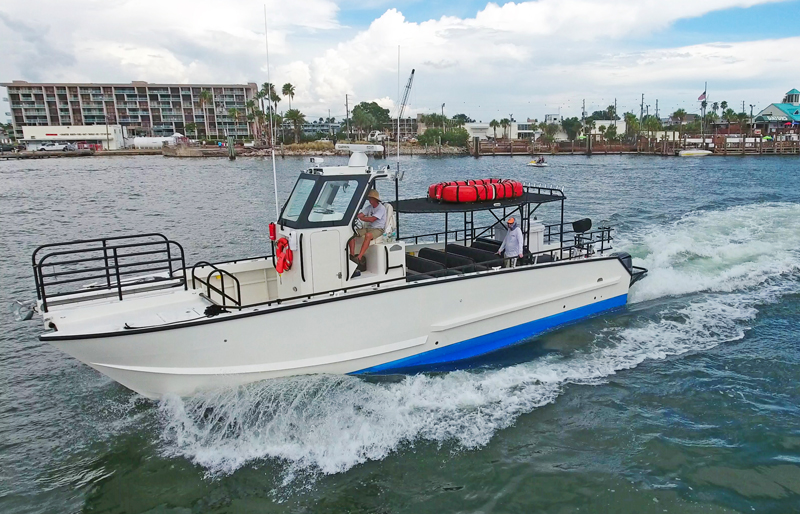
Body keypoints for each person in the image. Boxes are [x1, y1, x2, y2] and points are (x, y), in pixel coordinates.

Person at [348, 190, 386, 270]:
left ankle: (359, 257)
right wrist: (354, 216)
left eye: (371, 198)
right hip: (369, 228)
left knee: (368, 236)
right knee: (351, 234)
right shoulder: (369, 207)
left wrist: (362, 218)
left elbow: (372, 219)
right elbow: (360, 215)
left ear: (375, 199)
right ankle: (352, 255)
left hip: (378, 229)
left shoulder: (381, 208)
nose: (369, 200)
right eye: (369, 198)